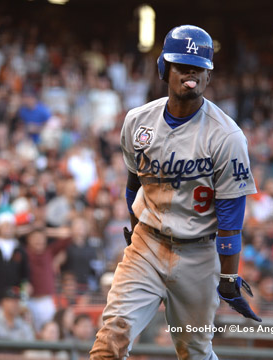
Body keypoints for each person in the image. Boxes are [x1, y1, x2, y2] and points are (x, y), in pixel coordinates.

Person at [90, 25, 261, 360]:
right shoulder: (138, 121)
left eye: (198, 69)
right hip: (147, 245)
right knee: (110, 341)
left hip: (199, 254)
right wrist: (134, 226)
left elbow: (231, 214)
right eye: (182, 67)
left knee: (194, 352)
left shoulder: (226, 136)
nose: (190, 75)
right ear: (163, 69)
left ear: (208, 76)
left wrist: (228, 276)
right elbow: (133, 182)